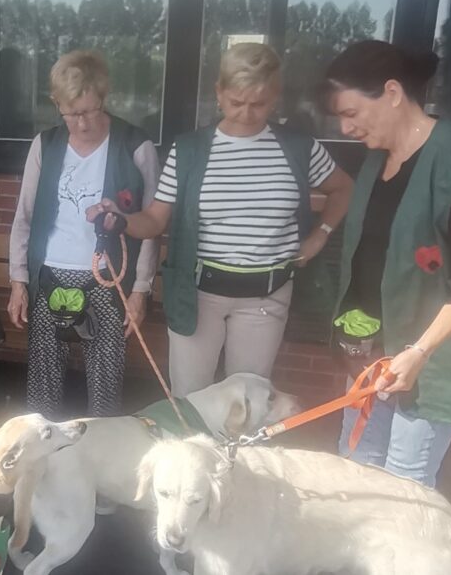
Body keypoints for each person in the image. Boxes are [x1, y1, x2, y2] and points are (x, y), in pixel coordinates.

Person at [89, 43, 353, 397]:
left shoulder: (299, 148)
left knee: (249, 401)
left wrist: (320, 234)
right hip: (198, 295)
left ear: (275, 95)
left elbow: (344, 189)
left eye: (258, 103)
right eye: (236, 101)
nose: (246, 113)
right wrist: (121, 220)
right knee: (192, 398)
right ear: (219, 92)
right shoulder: (189, 151)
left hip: (267, 294)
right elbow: (154, 220)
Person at [322, 40, 451, 487]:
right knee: (355, 466)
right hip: (376, 353)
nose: (345, 126)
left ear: (392, 93)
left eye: (352, 113)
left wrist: (418, 353)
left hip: (433, 358)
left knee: (404, 486)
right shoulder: (378, 160)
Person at [8, 50, 159, 418]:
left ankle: (100, 463)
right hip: (50, 276)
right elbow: (24, 216)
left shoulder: (134, 145)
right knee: (43, 390)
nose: (82, 122)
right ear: (56, 104)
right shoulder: (45, 145)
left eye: (90, 110)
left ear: (103, 98)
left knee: (105, 389)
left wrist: (141, 290)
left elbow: (154, 224)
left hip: (109, 281)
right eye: (72, 113)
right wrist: (18, 280)